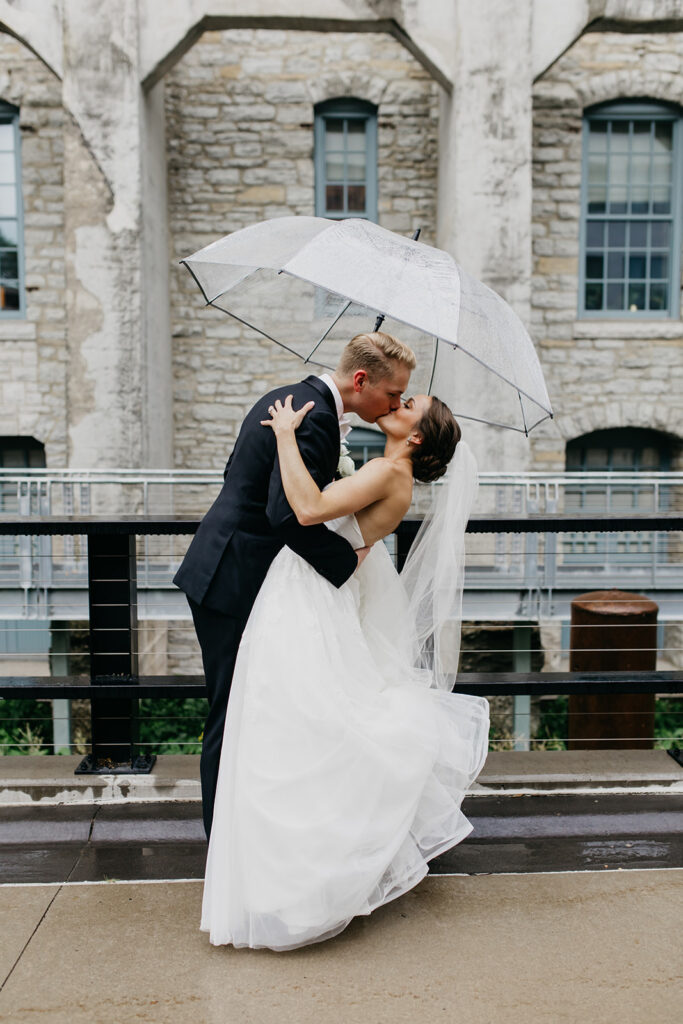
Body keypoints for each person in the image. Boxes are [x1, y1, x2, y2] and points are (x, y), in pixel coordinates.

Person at [200, 388, 490, 951]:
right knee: (286, 726)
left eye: (411, 405)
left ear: (417, 436)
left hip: (306, 595)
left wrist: (286, 436)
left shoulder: (388, 472)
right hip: (309, 586)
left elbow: (308, 510)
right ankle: (271, 872)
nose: (399, 401)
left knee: (289, 725)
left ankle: (292, 880)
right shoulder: (386, 470)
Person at [173, 331, 417, 839]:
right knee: (232, 710)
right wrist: (347, 563)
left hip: (227, 568)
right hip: (233, 578)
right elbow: (288, 514)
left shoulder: (291, 399)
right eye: (393, 394)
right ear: (360, 380)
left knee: (246, 708)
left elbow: (241, 476)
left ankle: (241, 836)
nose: (396, 403)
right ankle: (224, 844)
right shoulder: (316, 419)